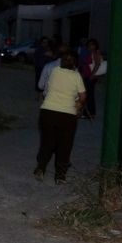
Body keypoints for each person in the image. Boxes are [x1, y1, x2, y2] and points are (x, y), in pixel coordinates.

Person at [34, 50, 86, 184]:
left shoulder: (54, 72)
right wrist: (79, 106)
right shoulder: (76, 76)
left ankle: (41, 168)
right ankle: (60, 175)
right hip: (67, 115)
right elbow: (83, 96)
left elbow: (47, 88)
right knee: (65, 145)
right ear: (75, 63)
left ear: (61, 62)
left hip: (48, 112)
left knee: (47, 142)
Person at [78, 38, 103, 119]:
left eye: (92, 44)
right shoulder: (89, 52)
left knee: (89, 95)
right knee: (88, 95)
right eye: (89, 44)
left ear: (95, 45)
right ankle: (88, 113)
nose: (90, 46)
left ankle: (90, 113)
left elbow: (97, 64)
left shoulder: (95, 53)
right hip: (87, 76)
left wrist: (92, 75)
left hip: (90, 77)